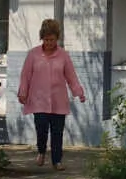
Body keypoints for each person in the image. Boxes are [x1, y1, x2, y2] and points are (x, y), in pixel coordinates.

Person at [17, 18, 86, 169]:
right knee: (41, 128)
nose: (49, 43)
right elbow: (25, 76)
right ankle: (41, 151)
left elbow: (71, 76)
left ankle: (57, 161)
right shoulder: (33, 55)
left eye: (52, 40)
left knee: (57, 132)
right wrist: (23, 92)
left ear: (57, 39)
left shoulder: (63, 56)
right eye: (46, 39)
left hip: (58, 100)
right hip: (38, 100)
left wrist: (78, 92)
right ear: (42, 38)